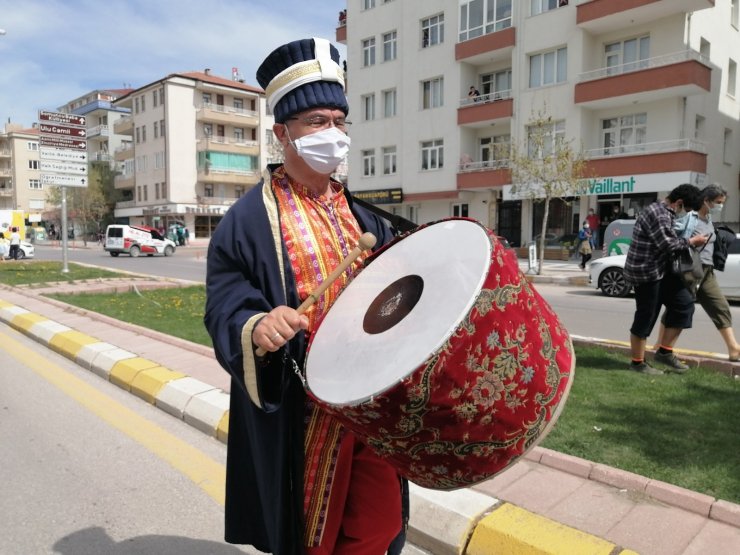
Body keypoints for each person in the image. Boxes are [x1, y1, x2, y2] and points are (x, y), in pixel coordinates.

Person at [204, 38, 406, 554]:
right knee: (312, 537)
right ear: (282, 133)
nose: (333, 134)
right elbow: (226, 302)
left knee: (377, 526)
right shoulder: (246, 222)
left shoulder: (366, 217)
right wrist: (257, 325)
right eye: (317, 121)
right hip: (306, 411)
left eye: (340, 120)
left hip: (371, 403)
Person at [623, 184, 708, 375]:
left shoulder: (666, 213)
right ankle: (638, 363)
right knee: (647, 316)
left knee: (684, 305)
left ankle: (664, 352)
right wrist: (692, 241)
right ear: (679, 203)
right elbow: (667, 244)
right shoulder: (658, 214)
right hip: (646, 272)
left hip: (663, 270)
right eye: (686, 210)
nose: (686, 214)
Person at [661, 184, 740, 361]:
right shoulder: (690, 217)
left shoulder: (709, 218)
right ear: (706, 200)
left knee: (720, 306)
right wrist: (691, 242)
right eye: (718, 202)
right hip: (689, 268)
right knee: (678, 308)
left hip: (707, 270)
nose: (720, 206)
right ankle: (662, 347)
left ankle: (734, 348)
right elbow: (674, 237)